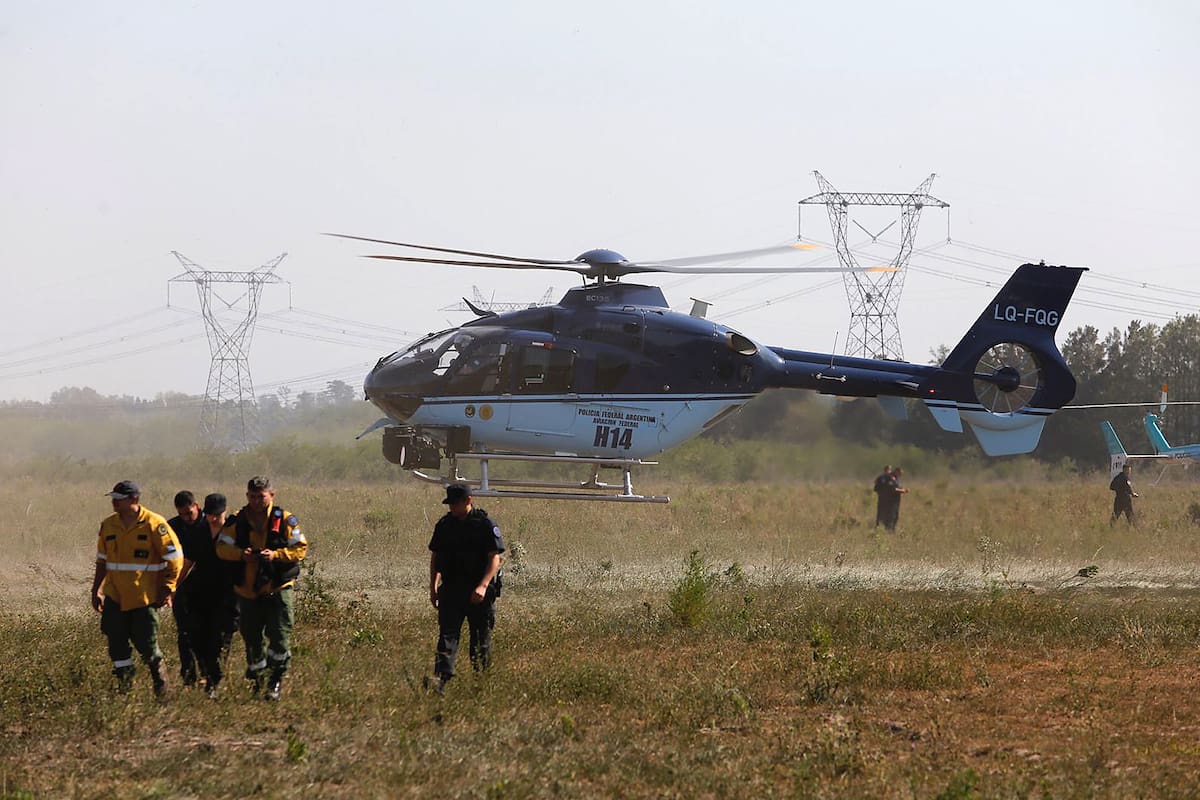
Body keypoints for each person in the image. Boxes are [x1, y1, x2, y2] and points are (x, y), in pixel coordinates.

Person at [216, 476, 308, 701]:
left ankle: (275, 679)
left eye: (262, 496)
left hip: (277, 588)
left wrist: (275, 555)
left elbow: (300, 548)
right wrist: (241, 554)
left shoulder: (285, 519)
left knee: (280, 637)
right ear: (247, 496)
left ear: (272, 496)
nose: (257, 501)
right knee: (252, 639)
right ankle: (258, 681)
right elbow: (221, 548)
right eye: (253, 497)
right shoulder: (237, 521)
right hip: (248, 591)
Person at [90, 480, 183, 696]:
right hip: (115, 597)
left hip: (144, 598)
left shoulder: (154, 524)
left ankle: (161, 684)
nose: (114, 503)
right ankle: (125, 686)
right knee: (116, 643)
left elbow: (175, 559)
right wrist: (97, 590)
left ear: (134, 499)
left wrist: (168, 587)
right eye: (113, 499)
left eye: (119, 499)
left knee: (147, 645)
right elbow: (102, 561)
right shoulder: (108, 525)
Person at [427, 483, 504, 693]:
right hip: (452, 589)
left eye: (455, 504)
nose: (452, 508)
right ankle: (440, 681)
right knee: (447, 638)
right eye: (450, 504)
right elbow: (436, 557)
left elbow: (495, 558)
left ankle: (481, 684)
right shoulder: (444, 525)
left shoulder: (485, 524)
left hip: (478, 593)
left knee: (480, 641)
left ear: (468, 501)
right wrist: (433, 588)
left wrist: (483, 585)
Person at [175, 493, 240, 698]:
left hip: (228, 593)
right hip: (201, 593)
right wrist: (173, 586)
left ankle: (213, 682)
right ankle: (205, 672)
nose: (213, 519)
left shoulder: (235, 529)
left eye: (217, 515)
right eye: (210, 515)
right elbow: (188, 561)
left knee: (221, 639)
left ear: (225, 512)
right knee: (197, 638)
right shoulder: (199, 531)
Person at [167, 490, 202, 687]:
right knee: (185, 633)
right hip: (181, 589)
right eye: (182, 514)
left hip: (206, 587)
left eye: (189, 513)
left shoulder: (208, 524)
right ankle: (189, 678)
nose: (186, 518)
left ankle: (208, 673)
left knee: (206, 632)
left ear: (196, 506)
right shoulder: (172, 526)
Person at [882, 467, 910, 532]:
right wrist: (903, 490)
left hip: (895, 501)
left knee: (895, 516)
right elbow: (893, 489)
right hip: (890, 501)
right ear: (896, 472)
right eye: (900, 473)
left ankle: (891, 530)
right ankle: (889, 530)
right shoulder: (891, 478)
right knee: (891, 516)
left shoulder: (895, 479)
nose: (900, 475)